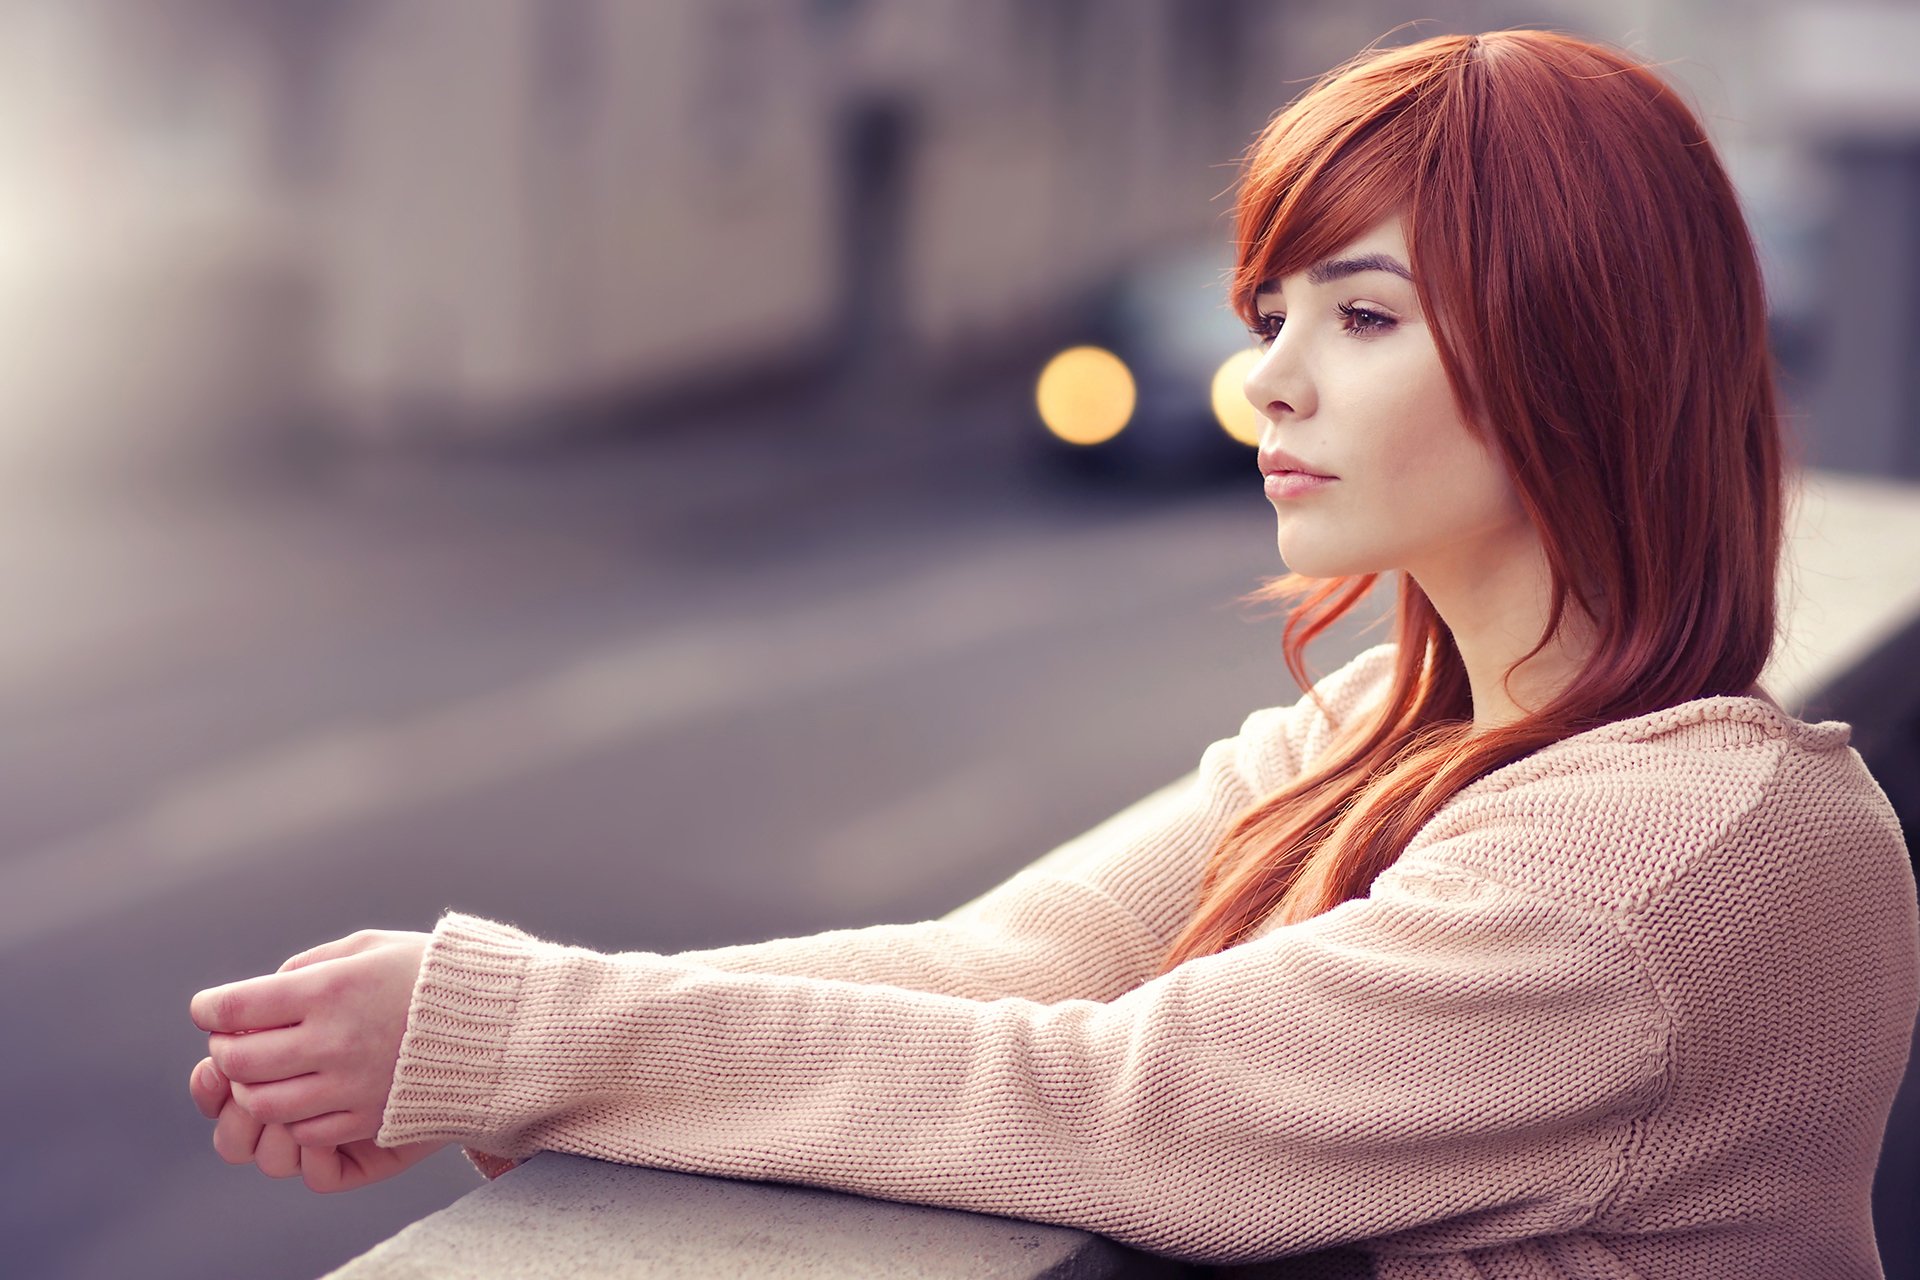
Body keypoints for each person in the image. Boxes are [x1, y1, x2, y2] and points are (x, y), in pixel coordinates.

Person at [188, 28, 1919, 1278]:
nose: (1273, 383)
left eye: (1366, 317)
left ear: (1584, 354)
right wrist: (461, 1046)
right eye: (1274, 317)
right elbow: (1017, 964)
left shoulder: (1666, 867)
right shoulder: (1391, 738)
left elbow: (1120, 1105)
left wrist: (519, 1036)